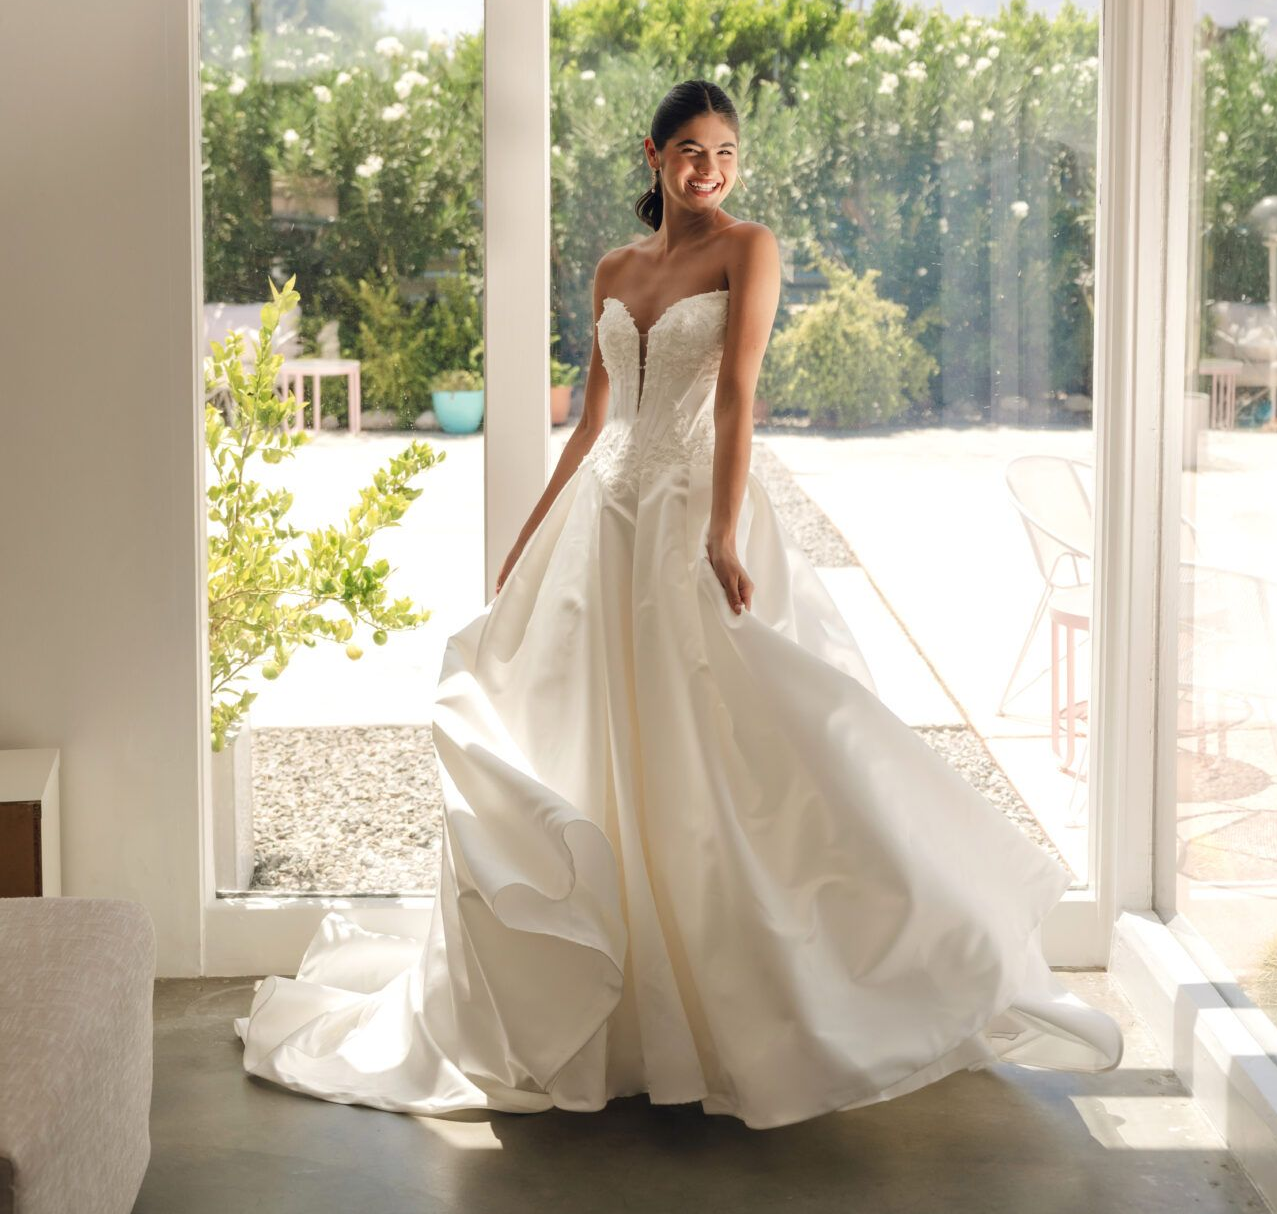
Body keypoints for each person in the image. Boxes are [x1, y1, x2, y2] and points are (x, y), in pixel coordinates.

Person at [234, 79, 1123, 1131]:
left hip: (689, 513)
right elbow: (590, 420)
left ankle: (829, 979)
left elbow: (738, 396)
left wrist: (720, 532)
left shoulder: (750, 250)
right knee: (590, 740)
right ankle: (621, 1011)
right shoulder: (615, 269)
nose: (710, 170)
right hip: (603, 522)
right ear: (653, 156)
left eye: (725, 152)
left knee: (730, 749)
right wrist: (525, 541)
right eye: (692, 151)